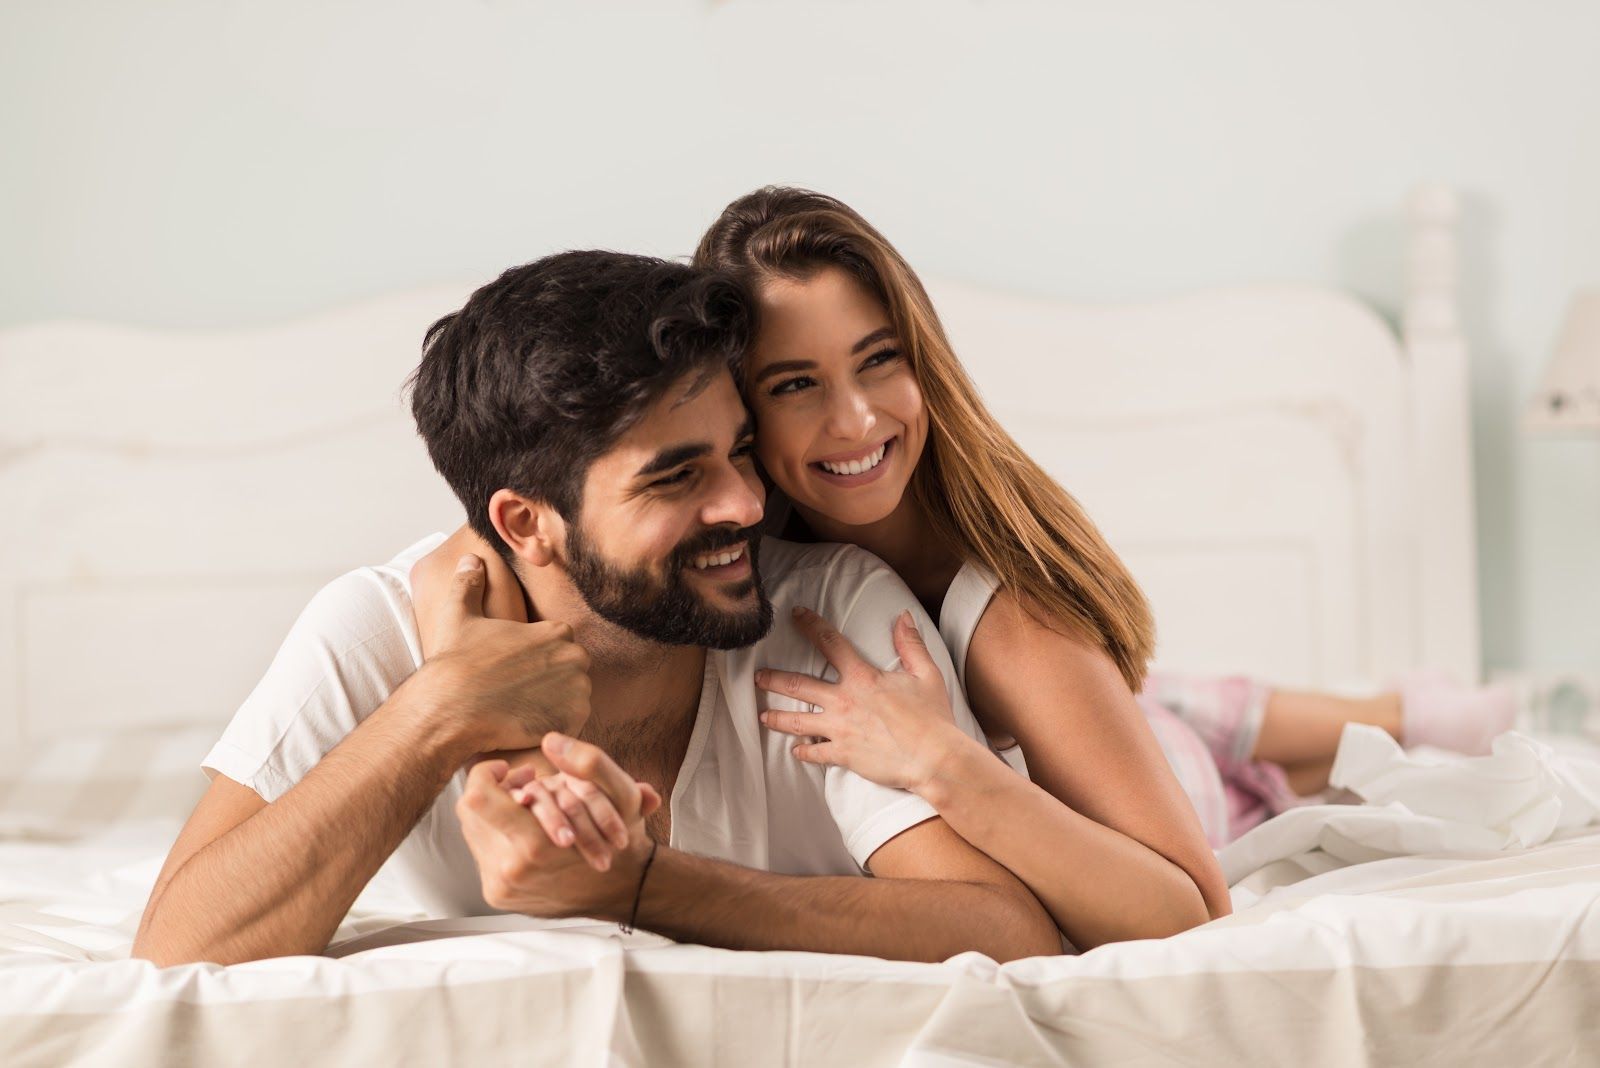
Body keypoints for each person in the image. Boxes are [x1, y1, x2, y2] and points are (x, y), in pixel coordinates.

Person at [413, 188, 1516, 944]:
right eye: (793, 384)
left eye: (879, 361)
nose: (854, 420)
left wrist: (941, 761)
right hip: (1048, 733)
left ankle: (1401, 715)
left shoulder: (1012, 613)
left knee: (1204, 744)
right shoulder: (726, 553)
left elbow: (1187, 910)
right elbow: (468, 560)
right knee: (1173, 697)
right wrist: (448, 645)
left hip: (1141, 797)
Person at [131, 251, 1064, 969]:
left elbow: (1008, 929)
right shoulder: (378, 633)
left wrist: (644, 888)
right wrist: (439, 714)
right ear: (525, 523)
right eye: (677, 478)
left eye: (737, 452)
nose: (745, 503)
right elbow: (180, 948)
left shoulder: (827, 609)